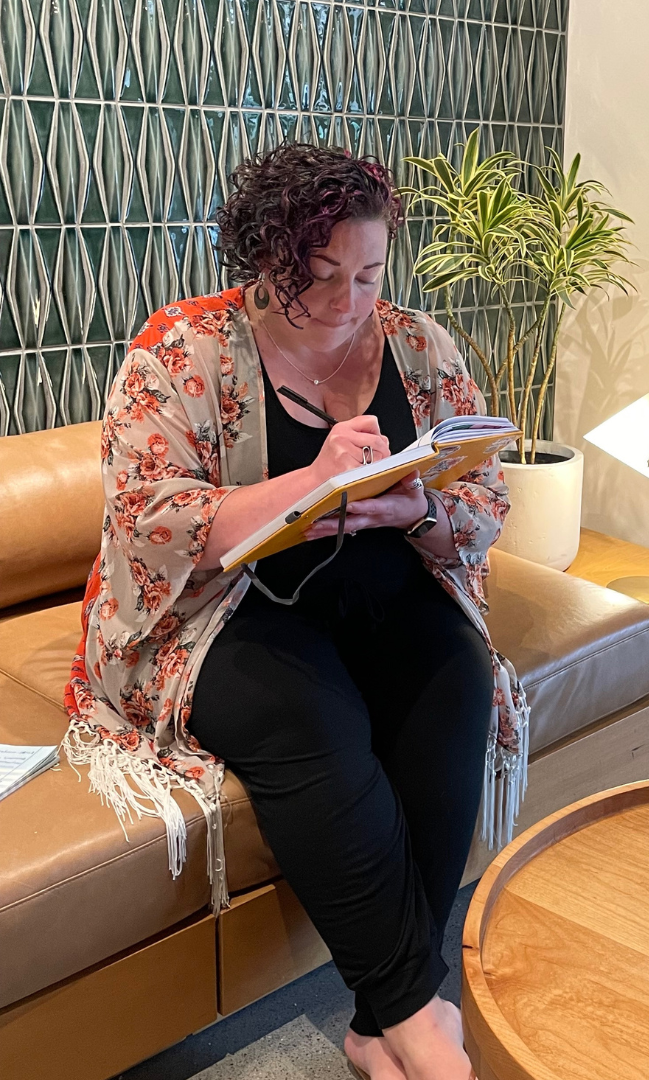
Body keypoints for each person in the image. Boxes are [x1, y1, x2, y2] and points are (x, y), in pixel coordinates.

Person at [63, 143, 531, 1080]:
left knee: (455, 682)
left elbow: (482, 504)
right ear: (266, 255)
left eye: (369, 274)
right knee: (306, 717)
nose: (349, 300)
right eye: (319, 276)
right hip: (233, 612)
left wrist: (419, 510)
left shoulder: (421, 347)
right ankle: (417, 1015)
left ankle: (377, 1020)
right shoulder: (182, 350)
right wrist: (308, 484)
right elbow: (149, 522)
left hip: (390, 589)